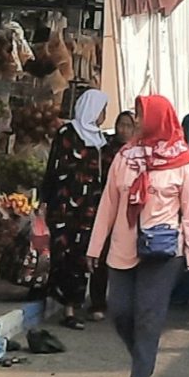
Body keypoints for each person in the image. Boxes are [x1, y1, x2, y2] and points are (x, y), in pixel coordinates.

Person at [87, 95, 189, 377]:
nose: (136, 121)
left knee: (148, 314)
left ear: (157, 119)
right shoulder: (125, 157)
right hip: (123, 247)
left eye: (141, 115)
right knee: (120, 309)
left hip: (163, 250)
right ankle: (143, 355)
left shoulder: (183, 162)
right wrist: (95, 247)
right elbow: (109, 203)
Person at [41, 88, 111, 327]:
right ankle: (67, 308)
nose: (104, 115)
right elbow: (53, 167)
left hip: (89, 208)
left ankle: (73, 304)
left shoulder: (100, 139)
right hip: (63, 205)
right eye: (102, 109)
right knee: (62, 252)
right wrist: (44, 200)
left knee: (82, 255)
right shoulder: (66, 133)